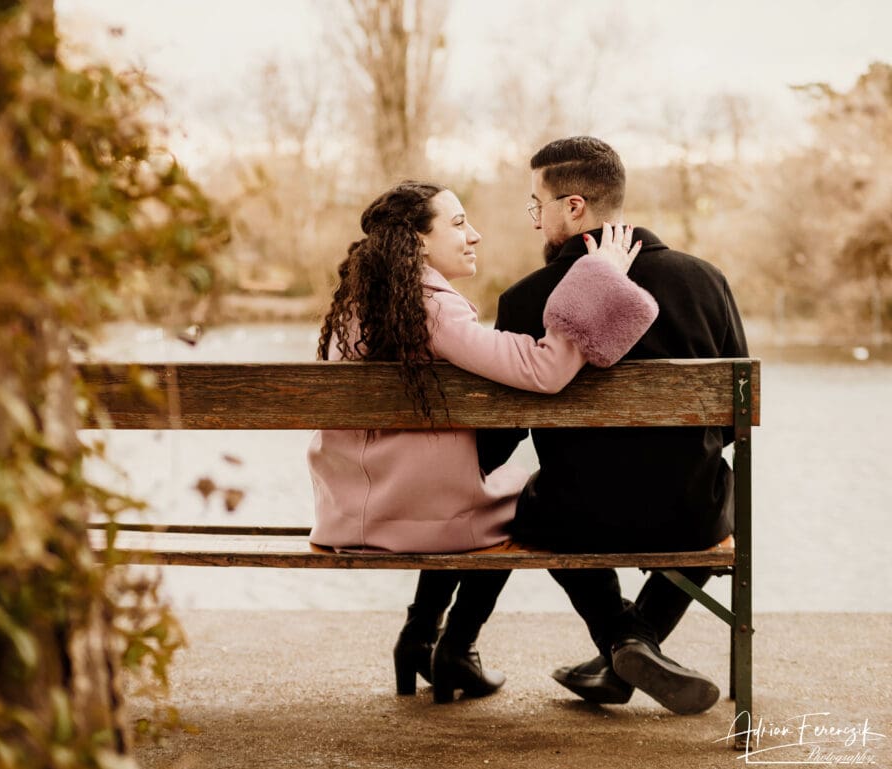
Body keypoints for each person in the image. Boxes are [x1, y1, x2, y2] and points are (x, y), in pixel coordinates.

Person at [307, 181, 658, 703]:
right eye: (457, 223)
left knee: (502, 492)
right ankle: (617, 636)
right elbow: (545, 370)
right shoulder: (433, 310)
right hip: (408, 515)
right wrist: (599, 275)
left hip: (346, 513)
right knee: (532, 505)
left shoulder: (362, 306)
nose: (474, 234)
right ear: (418, 241)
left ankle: (427, 639)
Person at [477, 136, 749, 716]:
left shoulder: (526, 298)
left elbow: (502, 435)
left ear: (573, 207)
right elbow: (730, 427)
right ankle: (635, 643)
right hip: (690, 518)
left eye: (537, 206)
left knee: (531, 503)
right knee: (722, 489)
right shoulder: (706, 283)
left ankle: (621, 639)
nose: (535, 221)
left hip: (577, 519)